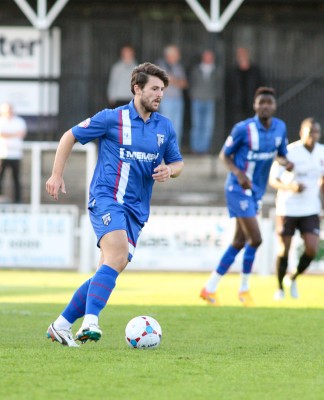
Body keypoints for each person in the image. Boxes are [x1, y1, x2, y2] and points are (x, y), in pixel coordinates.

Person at [46, 62, 184, 347]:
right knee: (118, 256)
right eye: (154, 89)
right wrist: (56, 175)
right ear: (137, 88)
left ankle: (60, 325)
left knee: (109, 267)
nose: (160, 95)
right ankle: (91, 322)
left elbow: (178, 162)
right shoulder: (112, 118)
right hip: (107, 199)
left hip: (136, 210)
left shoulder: (164, 127)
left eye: (162, 90)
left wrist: (170, 170)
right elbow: (69, 136)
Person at [200, 87, 293, 307]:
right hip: (237, 188)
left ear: (274, 105)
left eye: (269, 102)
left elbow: (281, 154)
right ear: (255, 105)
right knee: (256, 238)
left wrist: (285, 162)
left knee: (239, 241)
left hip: (257, 191)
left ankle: (209, 288)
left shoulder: (280, 127)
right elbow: (225, 154)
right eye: (261, 102)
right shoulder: (243, 129)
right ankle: (244, 290)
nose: (265, 106)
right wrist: (239, 173)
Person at [269, 118, 324, 300]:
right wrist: (291, 187)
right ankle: (279, 288)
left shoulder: (322, 152)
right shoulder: (290, 152)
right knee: (284, 249)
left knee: (311, 249)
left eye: (316, 132)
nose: (313, 136)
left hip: (310, 207)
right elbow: (273, 180)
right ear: (302, 133)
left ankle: (292, 278)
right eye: (310, 133)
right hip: (288, 207)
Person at [156, 44, 188, 148]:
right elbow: (159, 84)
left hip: (178, 99)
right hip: (166, 100)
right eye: (176, 54)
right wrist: (175, 81)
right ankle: (164, 148)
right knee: (166, 125)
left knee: (177, 125)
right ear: (169, 55)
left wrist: (172, 80)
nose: (179, 56)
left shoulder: (179, 66)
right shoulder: (159, 66)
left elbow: (184, 84)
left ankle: (174, 148)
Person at [189, 49, 219, 154]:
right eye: (206, 56)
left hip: (210, 100)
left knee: (208, 125)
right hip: (197, 99)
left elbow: (219, 85)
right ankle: (195, 148)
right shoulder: (196, 69)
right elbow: (191, 82)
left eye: (210, 56)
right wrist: (192, 94)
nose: (208, 58)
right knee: (197, 124)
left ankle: (205, 148)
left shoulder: (216, 70)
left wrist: (215, 95)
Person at [227, 47, 263, 128]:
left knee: (252, 127)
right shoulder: (233, 71)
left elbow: (260, 86)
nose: (241, 56)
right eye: (239, 54)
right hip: (237, 106)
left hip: (252, 104)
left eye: (243, 54)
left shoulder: (255, 70)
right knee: (239, 127)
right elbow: (229, 89)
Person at [0, 102, 27, 203]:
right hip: (2, 154)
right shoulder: (1, 121)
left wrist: (7, 135)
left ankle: (18, 200)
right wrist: (14, 134)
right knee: (1, 177)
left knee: (16, 178)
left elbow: (22, 133)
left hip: (16, 154)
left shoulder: (19, 121)